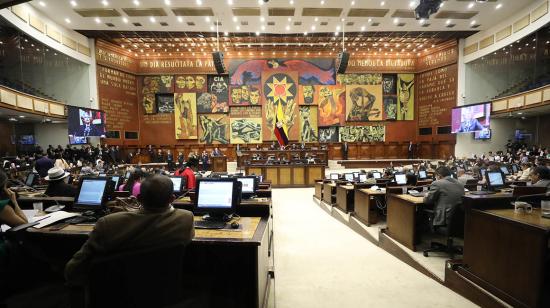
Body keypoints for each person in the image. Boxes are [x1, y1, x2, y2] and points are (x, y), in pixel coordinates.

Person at [65, 175, 195, 286]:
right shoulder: (185, 219)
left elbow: (72, 270)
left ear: (138, 198)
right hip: (162, 290)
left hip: (113, 293)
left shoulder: (108, 224)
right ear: (172, 199)